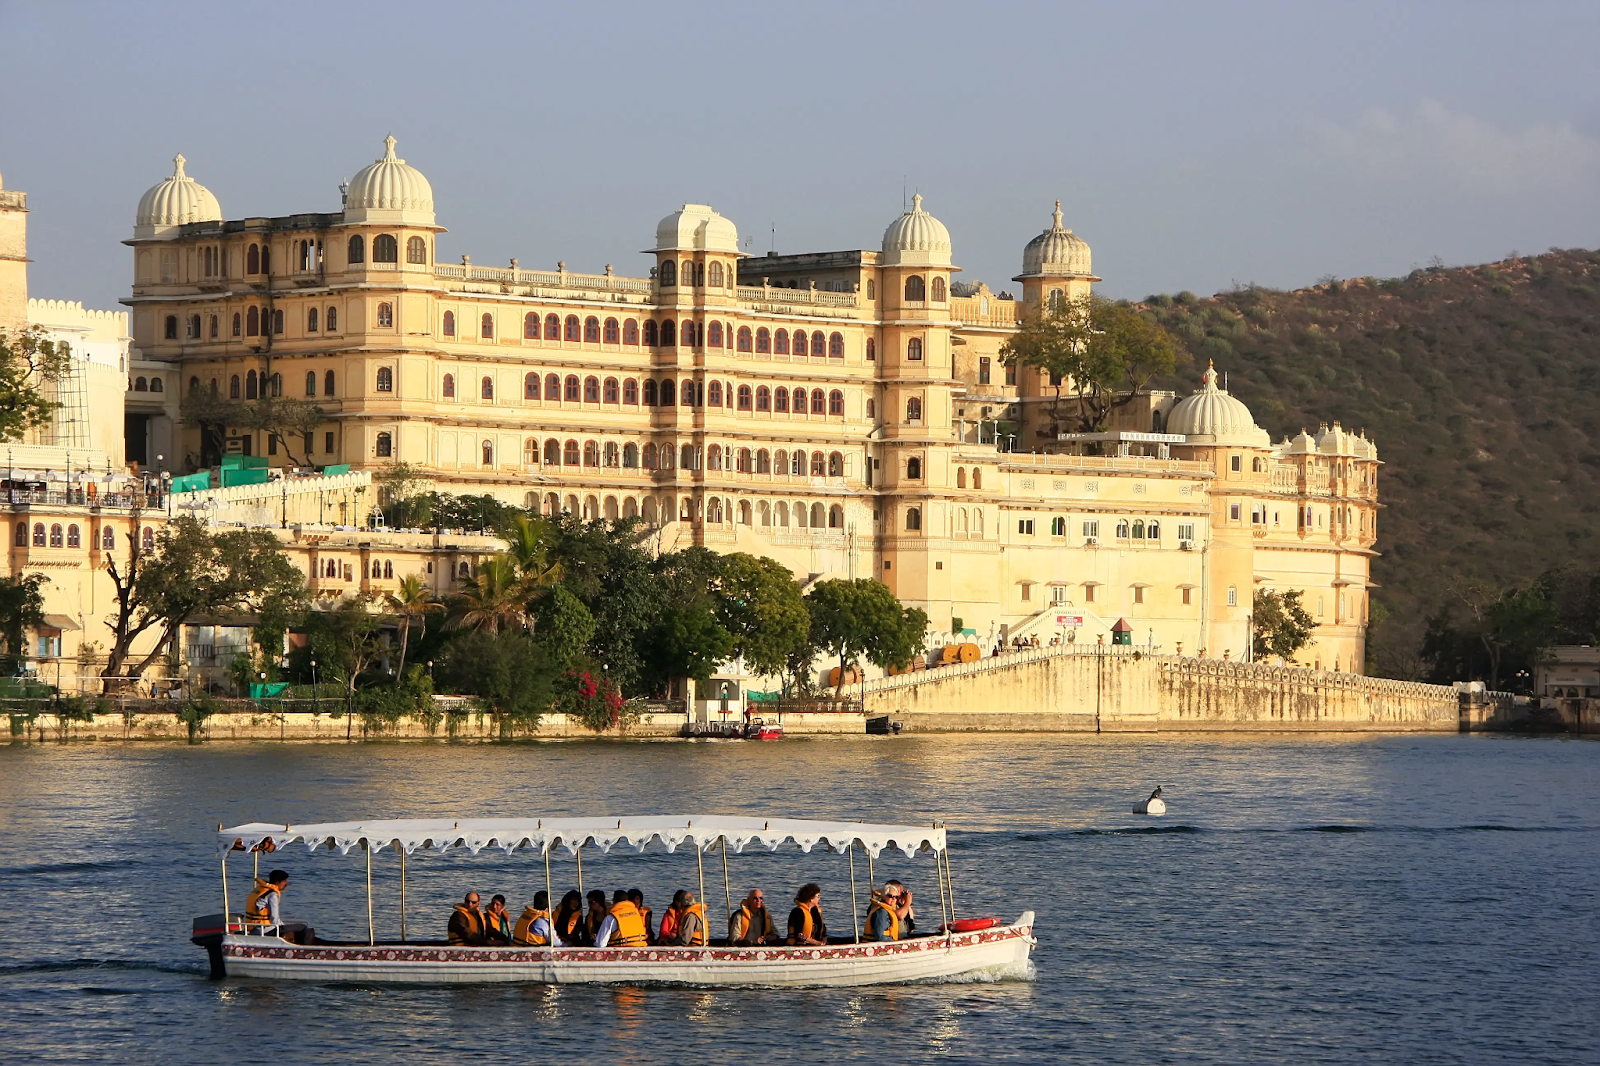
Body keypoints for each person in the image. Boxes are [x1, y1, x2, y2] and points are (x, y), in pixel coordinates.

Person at [244, 869, 289, 933]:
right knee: (302, 928)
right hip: (265, 929)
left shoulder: (259, 890)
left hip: (252, 927)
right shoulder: (272, 895)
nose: (287, 883)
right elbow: (274, 918)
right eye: (284, 881)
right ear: (277, 883)